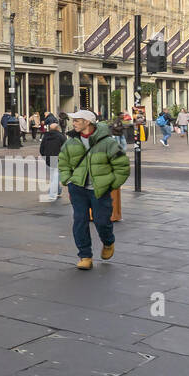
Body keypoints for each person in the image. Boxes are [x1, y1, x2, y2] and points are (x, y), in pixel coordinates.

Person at [58, 109, 130, 270]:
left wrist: (110, 184)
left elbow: (122, 166)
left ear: (87, 122)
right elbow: (63, 162)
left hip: (99, 190)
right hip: (77, 189)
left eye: (77, 120)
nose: (74, 123)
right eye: (74, 120)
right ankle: (85, 256)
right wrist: (68, 180)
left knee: (102, 221)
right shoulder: (71, 142)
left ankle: (108, 242)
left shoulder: (108, 143)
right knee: (80, 221)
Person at [39, 116, 66, 201]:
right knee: (55, 176)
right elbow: (65, 148)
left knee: (54, 176)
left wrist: (44, 156)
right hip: (58, 158)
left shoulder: (45, 136)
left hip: (48, 158)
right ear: (58, 128)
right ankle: (52, 194)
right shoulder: (61, 136)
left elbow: (41, 148)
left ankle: (57, 191)